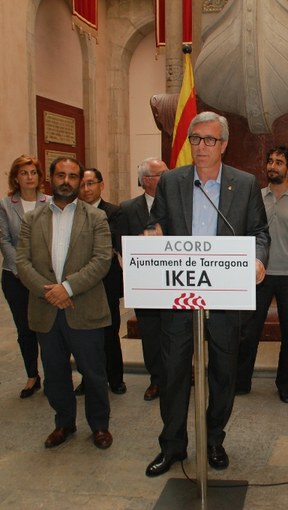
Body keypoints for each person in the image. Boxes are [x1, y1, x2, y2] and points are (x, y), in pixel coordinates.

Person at [144, 112, 269, 477]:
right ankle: (172, 445)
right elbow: (156, 221)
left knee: (223, 374)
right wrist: (153, 233)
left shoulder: (244, 184)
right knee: (173, 372)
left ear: (224, 145)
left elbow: (259, 232)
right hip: (180, 294)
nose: (201, 146)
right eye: (195, 139)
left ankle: (214, 439)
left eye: (209, 140)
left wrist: (258, 259)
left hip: (225, 294)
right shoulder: (172, 181)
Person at [16, 157, 114, 450]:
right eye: (61, 175)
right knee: (55, 373)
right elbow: (22, 262)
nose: (67, 181)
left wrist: (67, 289)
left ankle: (99, 426)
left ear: (80, 182)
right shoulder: (32, 219)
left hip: (84, 308)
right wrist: (50, 292)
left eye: (73, 176)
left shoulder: (96, 217)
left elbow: (102, 260)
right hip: (46, 309)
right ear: (50, 178)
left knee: (93, 373)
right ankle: (64, 423)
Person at [236, 145, 288, 403]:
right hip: (259, 275)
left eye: (279, 162)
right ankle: (241, 381)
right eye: (270, 161)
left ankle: (286, 385)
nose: (272, 166)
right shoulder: (255, 196)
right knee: (249, 331)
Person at [0, 155, 51, 399]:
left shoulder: (50, 202)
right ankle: (32, 375)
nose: (29, 177)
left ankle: (52, 375)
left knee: (47, 328)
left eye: (33, 172)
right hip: (15, 277)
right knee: (25, 328)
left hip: (44, 276)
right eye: (24, 173)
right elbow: (4, 240)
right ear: (15, 178)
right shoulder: (4, 205)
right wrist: (21, 270)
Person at [119, 157, 169, 401]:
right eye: (163, 175)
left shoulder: (179, 203)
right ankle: (156, 379)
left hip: (174, 281)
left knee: (177, 332)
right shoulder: (127, 209)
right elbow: (120, 244)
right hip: (145, 285)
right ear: (147, 180)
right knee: (150, 335)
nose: (169, 178)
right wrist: (143, 243)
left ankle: (182, 374)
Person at [75, 168, 126, 395]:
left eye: (91, 183)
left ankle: (115, 378)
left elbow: (111, 241)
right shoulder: (72, 212)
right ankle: (89, 379)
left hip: (107, 282)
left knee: (110, 331)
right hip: (81, 281)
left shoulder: (114, 212)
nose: (86, 189)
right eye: (82, 184)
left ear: (101, 185)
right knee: (85, 335)